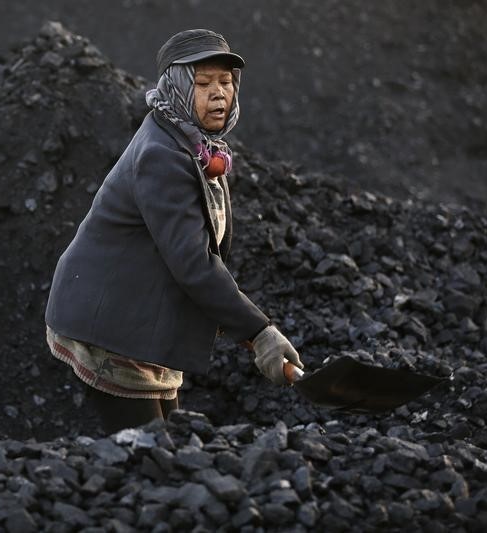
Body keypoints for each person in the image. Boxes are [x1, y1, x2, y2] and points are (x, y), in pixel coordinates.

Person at [45, 29, 303, 433]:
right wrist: (259, 333)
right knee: (148, 454)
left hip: (143, 317)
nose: (219, 94)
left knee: (169, 444)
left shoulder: (195, 144)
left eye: (226, 82)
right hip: (109, 324)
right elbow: (194, 263)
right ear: (178, 87)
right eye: (203, 84)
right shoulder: (162, 156)